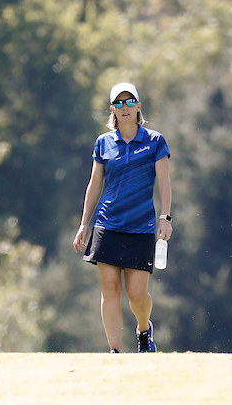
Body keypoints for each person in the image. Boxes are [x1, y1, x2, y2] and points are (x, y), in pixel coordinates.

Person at [73, 82, 172, 353]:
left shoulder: (155, 141)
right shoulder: (103, 143)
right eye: (119, 103)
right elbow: (95, 185)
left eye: (129, 102)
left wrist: (165, 217)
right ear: (112, 109)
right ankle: (115, 352)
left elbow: (164, 183)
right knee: (110, 288)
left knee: (137, 295)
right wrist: (84, 224)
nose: (124, 107)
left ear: (138, 106)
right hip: (108, 225)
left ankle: (143, 329)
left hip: (141, 227)